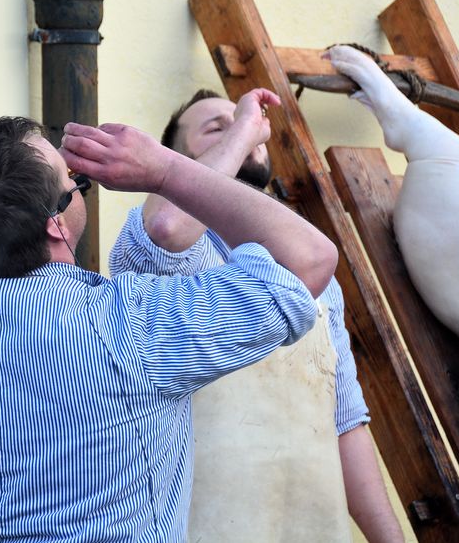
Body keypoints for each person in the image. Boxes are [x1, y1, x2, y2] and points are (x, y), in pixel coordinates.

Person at [0, 100, 339, 540]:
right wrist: (162, 170)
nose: (80, 182)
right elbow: (309, 258)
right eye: (75, 182)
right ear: (56, 224)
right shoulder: (130, 325)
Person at [109, 88, 404, 542]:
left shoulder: (317, 275)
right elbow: (168, 227)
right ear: (173, 162)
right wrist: (245, 129)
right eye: (216, 127)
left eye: (244, 122)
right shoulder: (162, 256)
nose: (244, 128)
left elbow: (345, 423)